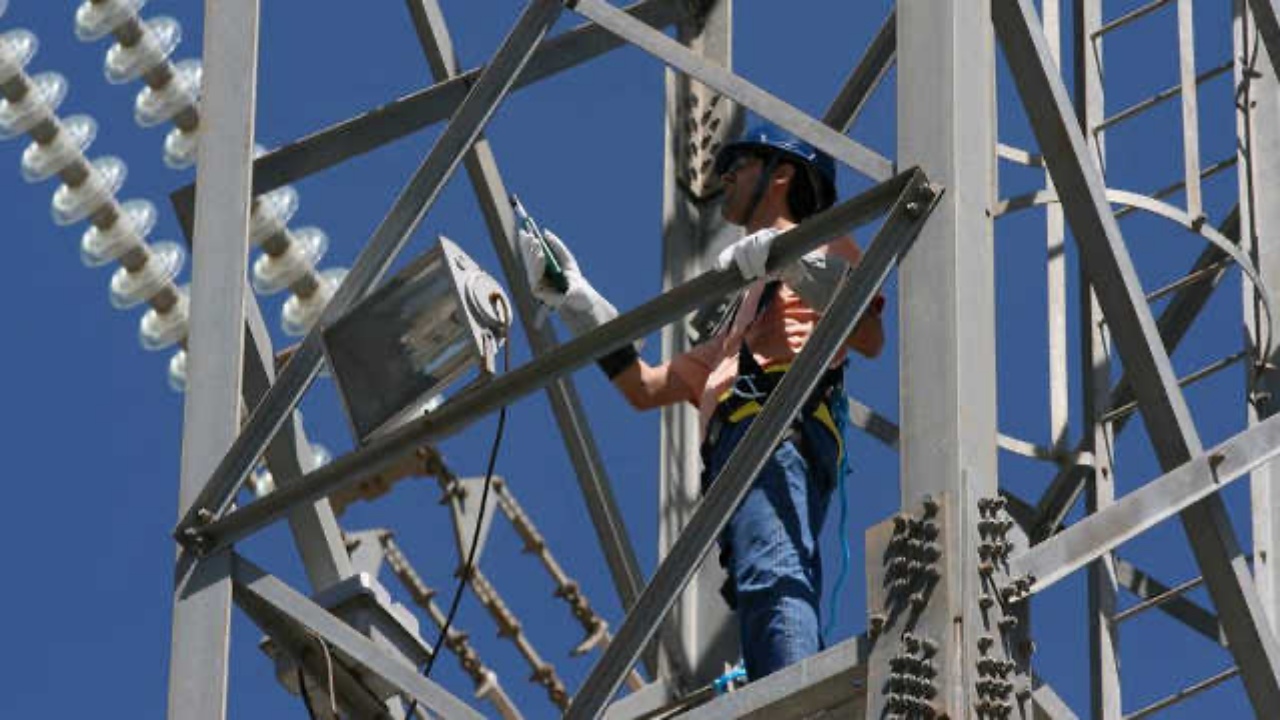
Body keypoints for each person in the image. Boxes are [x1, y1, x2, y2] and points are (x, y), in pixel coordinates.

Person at [518, 121, 884, 681]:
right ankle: (778, 693)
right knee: (759, 583)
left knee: (774, 572)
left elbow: (867, 334)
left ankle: (795, 702)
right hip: (739, 449)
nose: (725, 179)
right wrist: (577, 302)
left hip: (777, 432)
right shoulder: (739, 321)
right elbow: (644, 386)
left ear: (780, 174)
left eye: (738, 167)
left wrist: (787, 257)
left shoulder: (822, 244)